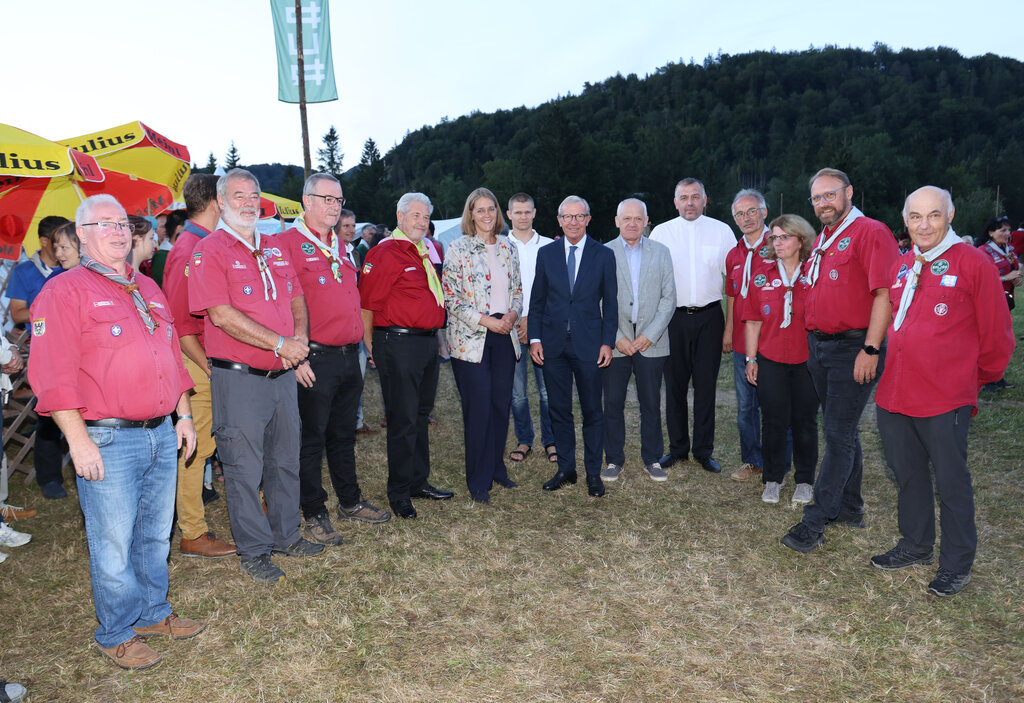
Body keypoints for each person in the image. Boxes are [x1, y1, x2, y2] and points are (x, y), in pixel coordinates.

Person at [29, 194, 203, 670]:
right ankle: (115, 632)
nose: (119, 231)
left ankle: (152, 613)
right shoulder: (64, 292)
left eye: (123, 223)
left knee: (153, 534)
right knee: (112, 544)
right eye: (105, 224)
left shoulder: (146, 287)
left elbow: (171, 359)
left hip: (160, 433)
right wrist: (78, 441)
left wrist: (183, 415)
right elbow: (52, 376)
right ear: (82, 235)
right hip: (107, 437)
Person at [871, 186, 1014, 597]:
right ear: (906, 221)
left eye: (934, 215)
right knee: (908, 474)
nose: (924, 224)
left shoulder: (974, 263)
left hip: (943, 396)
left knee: (951, 483)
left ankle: (956, 563)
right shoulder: (902, 265)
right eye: (916, 217)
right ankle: (915, 545)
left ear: (950, 215)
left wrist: (971, 382)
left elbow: (998, 336)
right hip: (895, 393)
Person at [188, 168, 323, 584]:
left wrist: (298, 342)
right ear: (221, 202)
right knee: (244, 467)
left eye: (254, 194)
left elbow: (297, 296)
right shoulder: (209, 251)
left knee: (285, 459)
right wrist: (280, 344)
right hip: (240, 378)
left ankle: (287, 535)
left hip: (282, 375)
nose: (248, 202)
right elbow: (221, 316)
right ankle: (254, 550)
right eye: (238, 195)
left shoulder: (274, 247)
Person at [781, 167, 900, 554]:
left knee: (837, 435)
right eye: (816, 198)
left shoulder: (870, 232)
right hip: (822, 347)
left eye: (829, 195)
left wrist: (870, 348)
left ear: (848, 192)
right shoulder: (827, 237)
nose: (822, 204)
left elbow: (884, 294)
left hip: (852, 348)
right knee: (841, 431)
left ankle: (815, 521)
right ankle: (850, 507)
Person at [278, 174, 391, 544]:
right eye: (326, 199)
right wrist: (296, 358)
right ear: (306, 201)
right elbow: (280, 306)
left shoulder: (344, 247)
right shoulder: (286, 244)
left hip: (348, 356)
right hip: (314, 358)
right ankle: (313, 510)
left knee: (343, 435)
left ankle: (350, 501)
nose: (334, 206)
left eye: (338, 200)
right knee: (310, 439)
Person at [358, 193, 453, 519]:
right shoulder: (385, 252)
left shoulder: (426, 250)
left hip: (426, 343)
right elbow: (366, 304)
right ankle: (398, 492)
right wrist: (371, 346)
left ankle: (418, 481)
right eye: (415, 215)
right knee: (402, 419)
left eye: (425, 217)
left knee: (421, 415)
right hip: (398, 344)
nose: (421, 221)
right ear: (399, 217)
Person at [160, 173, 236, 559]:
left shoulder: (201, 243)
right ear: (215, 203)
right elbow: (180, 323)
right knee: (196, 448)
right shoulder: (190, 248)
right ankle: (192, 531)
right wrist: (209, 368)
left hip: (211, 361)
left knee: (221, 442)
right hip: (199, 363)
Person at [529, 195, 617, 498]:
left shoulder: (603, 255)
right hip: (552, 346)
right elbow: (537, 300)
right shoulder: (547, 254)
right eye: (567, 216)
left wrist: (608, 342)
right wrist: (536, 338)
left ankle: (594, 472)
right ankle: (566, 468)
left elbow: (612, 304)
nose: (573, 222)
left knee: (593, 411)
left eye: (579, 216)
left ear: (588, 219)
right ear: (559, 220)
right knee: (559, 410)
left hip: (590, 346)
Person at [442, 187, 523, 503]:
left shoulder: (508, 248)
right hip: (472, 339)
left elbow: (517, 290)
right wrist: (489, 321)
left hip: (506, 335)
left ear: (498, 213)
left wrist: (513, 314)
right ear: (470, 215)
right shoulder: (458, 249)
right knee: (478, 409)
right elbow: (452, 298)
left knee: (500, 407)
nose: (487, 215)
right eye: (480, 210)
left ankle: (496, 469)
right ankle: (478, 481)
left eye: (491, 209)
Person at [650, 179, 734, 474]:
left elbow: (733, 284)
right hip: (672, 319)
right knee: (674, 386)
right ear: (675, 202)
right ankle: (677, 449)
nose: (689, 202)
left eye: (695, 197)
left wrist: (730, 328)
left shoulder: (722, 231)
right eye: (684, 197)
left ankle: (703, 450)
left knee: (706, 386)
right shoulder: (661, 232)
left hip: (710, 317)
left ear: (705, 200)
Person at [742, 215, 819, 506]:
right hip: (771, 358)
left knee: (804, 422)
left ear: (801, 240)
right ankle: (773, 477)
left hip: (807, 361)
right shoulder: (762, 274)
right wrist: (751, 358)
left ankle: (805, 480)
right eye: (775, 237)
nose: (779, 242)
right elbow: (752, 321)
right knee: (773, 421)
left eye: (785, 237)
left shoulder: (813, 272)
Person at [601, 198, 675, 483]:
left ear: (646, 222)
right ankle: (614, 459)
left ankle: (653, 458)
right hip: (616, 341)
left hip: (651, 341)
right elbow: (595, 299)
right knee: (613, 403)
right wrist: (616, 337)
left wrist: (648, 335)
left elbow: (669, 299)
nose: (632, 223)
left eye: (638, 218)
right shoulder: (604, 252)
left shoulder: (661, 252)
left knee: (651, 403)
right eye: (626, 218)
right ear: (617, 221)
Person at [8, 216, 68, 499]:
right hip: (39, 348)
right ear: (45, 241)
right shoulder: (23, 272)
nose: (61, 246)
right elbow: (17, 313)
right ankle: (50, 478)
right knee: (47, 411)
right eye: (58, 239)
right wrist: (48, 306)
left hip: (72, 345)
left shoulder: (73, 269)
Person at [723, 189, 773, 482]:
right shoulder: (734, 253)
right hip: (743, 341)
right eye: (740, 214)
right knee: (745, 406)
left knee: (775, 405)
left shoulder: (779, 245)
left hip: (772, 341)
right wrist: (729, 329)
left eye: (752, 211)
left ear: (764, 212)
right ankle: (753, 461)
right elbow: (731, 294)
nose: (746, 218)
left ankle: (778, 460)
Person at [505, 193, 557, 466]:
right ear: (509, 214)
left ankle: (551, 440)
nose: (523, 216)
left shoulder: (548, 245)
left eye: (527, 211)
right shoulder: (500, 245)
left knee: (547, 390)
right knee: (517, 392)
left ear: (535, 212)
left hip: (542, 328)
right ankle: (524, 439)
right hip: (510, 327)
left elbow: (554, 290)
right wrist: (518, 319)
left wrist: (532, 321)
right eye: (518, 212)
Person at [976, 216, 1020, 390]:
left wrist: (1016, 277)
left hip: (1005, 299)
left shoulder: (1008, 248)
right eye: (1003, 230)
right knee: (988, 339)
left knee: (1001, 339)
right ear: (991, 233)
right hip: (989, 301)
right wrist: (1004, 277)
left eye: (1009, 230)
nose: (1008, 234)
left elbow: (1014, 267)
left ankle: (997, 375)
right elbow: (981, 277)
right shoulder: (983, 251)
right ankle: (986, 379)